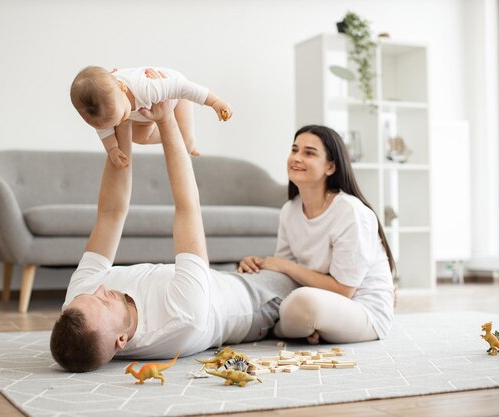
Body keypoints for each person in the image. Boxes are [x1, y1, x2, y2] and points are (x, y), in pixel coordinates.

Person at [50, 100, 298, 373]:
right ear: (121, 341)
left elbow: (110, 212)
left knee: (291, 267)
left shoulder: (79, 304)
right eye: (104, 302)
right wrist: (167, 121)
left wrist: (120, 120)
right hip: (255, 302)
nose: (99, 290)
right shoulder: (180, 318)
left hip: (222, 277)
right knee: (312, 293)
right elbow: (187, 207)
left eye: (89, 295)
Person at [238, 125, 396, 345]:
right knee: (278, 298)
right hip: (319, 303)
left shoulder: (350, 211)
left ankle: (282, 328)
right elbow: (284, 277)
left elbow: (344, 290)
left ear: (331, 167)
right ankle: (299, 327)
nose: (297, 158)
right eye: (294, 150)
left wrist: (284, 266)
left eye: (309, 153)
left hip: (363, 311)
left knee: (303, 303)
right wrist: (259, 265)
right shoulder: (289, 210)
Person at [70, 66, 232, 168]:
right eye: (114, 122)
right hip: (143, 113)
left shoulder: (146, 88)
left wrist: (215, 102)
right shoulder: (105, 105)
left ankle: (190, 146)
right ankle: (164, 131)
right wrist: (112, 148)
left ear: (122, 87)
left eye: (120, 117)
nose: (118, 123)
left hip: (176, 95)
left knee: (185, 140)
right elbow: (104, 129)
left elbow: (184, 88)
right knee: (140, 137)